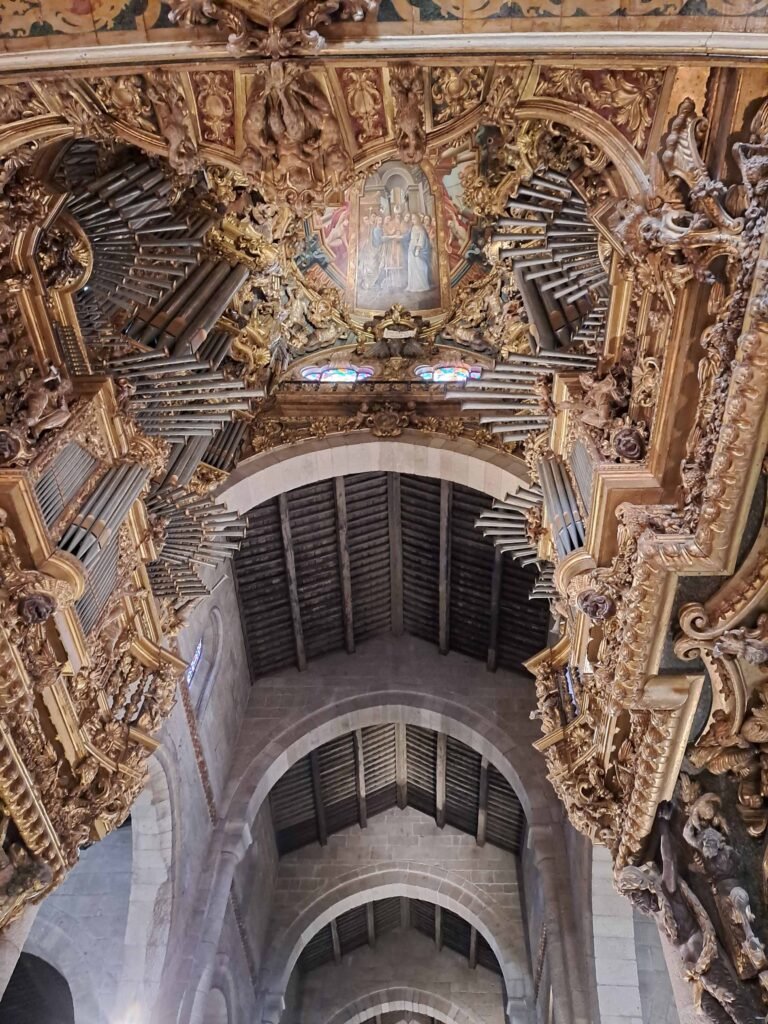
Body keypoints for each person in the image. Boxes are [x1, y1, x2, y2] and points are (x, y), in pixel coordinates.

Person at [406, 215, 432, 293]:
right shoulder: (413, 228)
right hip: (411, 249)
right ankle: (412, 286)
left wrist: (417, 249)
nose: (413, 220)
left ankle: (421, 286)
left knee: (419, 267)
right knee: (412, 267)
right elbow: (411, 238)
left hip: (417, 250)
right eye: (412, 219)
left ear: (417, 219)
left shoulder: (421, 228)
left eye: (414, 219)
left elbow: (422, 239)